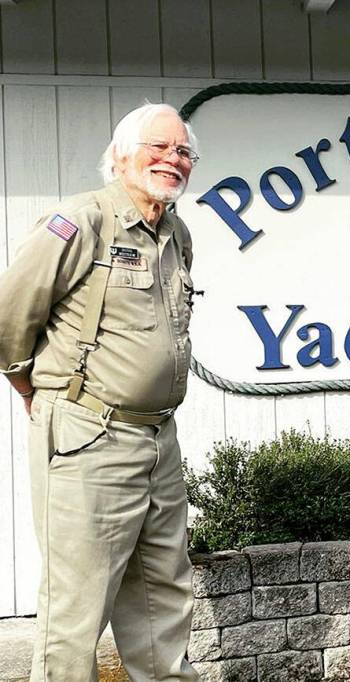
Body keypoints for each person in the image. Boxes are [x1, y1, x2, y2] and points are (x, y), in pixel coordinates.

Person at [0, 103, 201, 681]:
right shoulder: (79, 223)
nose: (173, 160)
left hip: (159, 437)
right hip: (90, 435)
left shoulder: (176, 234)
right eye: (158, 147)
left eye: (183, 152)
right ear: (120, 156)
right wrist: (27, 385)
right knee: (77, 607)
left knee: (163, 596)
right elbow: (11, 316)